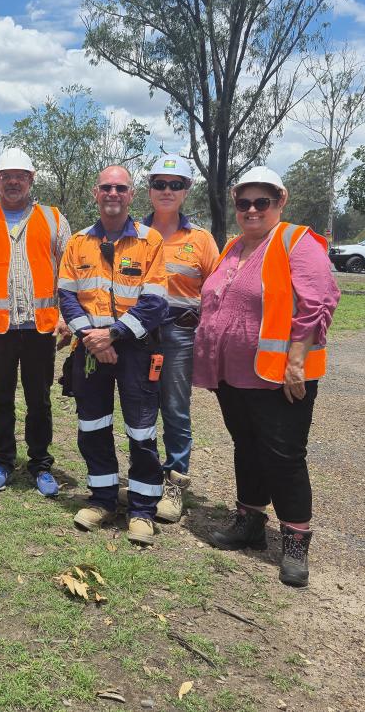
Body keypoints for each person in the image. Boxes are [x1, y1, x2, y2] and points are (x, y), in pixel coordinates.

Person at [193, 166, 340, 587]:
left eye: (263, 202)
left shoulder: (296, 241)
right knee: (246, 446)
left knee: (284, 456)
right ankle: (250, 521)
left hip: (280, 376)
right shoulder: (233, 247)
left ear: (280, 202)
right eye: (244, 203)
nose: (252, 209)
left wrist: (296, 362)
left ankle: (295, 540)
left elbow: (319, 303)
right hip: (232, 374)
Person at [58, 165, 169, 546]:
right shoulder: (77, 242)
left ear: (131, 194)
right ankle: (103, 499)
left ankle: (141, 509)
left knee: (141, 430)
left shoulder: (150, 240)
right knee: (92, 426)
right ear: (95, 192)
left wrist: (114, 335)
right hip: (90, 351)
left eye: (120, 188)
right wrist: (92, 338)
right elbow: (67, 296)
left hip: (136, 349)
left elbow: (156, 302)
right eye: (106, 187)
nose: (113, 194)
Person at [0, 147, 71, 497]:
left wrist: (67, 317)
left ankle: (40, 464)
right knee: (0, 396)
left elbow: (70, 273)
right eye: (6, 176)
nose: (13, 182)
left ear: (32, 179)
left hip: (41, 328)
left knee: (39, 399)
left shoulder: (54, 219)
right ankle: (2, 461)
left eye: (20, 176)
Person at [141, 156, 218, 523]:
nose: (167, 191)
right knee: (140, 408)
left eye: (176, 185)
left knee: (174, 409)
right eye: (160, 184)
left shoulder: (201, 240)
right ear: (150, 189)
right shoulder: (133, 234)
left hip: (180, 333)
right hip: (138, 333)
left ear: (186, 191)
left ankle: (174, 482)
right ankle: (145, 478)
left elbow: (216, 293)